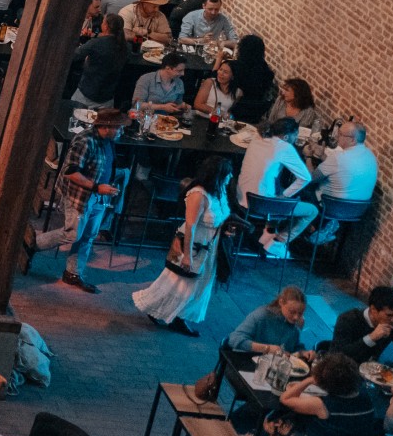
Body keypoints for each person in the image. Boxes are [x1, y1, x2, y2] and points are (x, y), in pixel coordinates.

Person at [133, 156, 234, 335]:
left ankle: (171, 313)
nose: (231, 176)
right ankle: (174, 316)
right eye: (227, 173)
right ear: (217, 175)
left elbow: (219, 218)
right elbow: (190, 226)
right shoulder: (198, 194)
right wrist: (187, 255)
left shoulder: (220, 192)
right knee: (182, 283)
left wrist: (225, 231)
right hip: (194, 246)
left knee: (193, 284)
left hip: (210, 247)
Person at [27, 108, 122, 293]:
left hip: (99, 197)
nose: (121, 131)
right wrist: (97, 187)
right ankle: (31, 243)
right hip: (79, 196)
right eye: (118, 127)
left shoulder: (108, 141)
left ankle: (73, 273)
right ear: (107, 126)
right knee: (73, 234)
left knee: (88, 235)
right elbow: (70, 172)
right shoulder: (85, 141)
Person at [267, 353, 384, 436]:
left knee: (275, 422)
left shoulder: (321, 404)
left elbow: (285, 399)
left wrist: (309, 380)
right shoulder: (366, 398)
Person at [239, 115, 314, 259]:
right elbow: (306, 177)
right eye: (295, 136)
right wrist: (284, 196)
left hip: (242, 196)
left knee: (275, 186)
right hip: (261, 204)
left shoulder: (258, 137)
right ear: (286, 137)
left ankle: (268, 232)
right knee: (311, 210)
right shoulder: (285, 147)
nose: (296, 139)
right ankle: (278, 242)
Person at [330, 286, 393, 369]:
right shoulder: (348, 319)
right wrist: (371, 338)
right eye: (389, 315)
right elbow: (337, 354)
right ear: (373, 310)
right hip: (344, 368)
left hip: (371, 369)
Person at [69, 14, 128, 109]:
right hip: (107, 99)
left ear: (106, 26)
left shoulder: (96, 43)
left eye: (103, 22)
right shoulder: (124, 47)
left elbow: (74, 55)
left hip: (86, 96)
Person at [228, 286, 308, 356]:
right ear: (281, 302)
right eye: (292, 312)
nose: (296, 317)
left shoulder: (294, 324)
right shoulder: (262, 316)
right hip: (245, 359)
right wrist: (267, 348)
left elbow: (294, 346)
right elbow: (234, 339)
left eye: (300, 313)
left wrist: (302, 352)